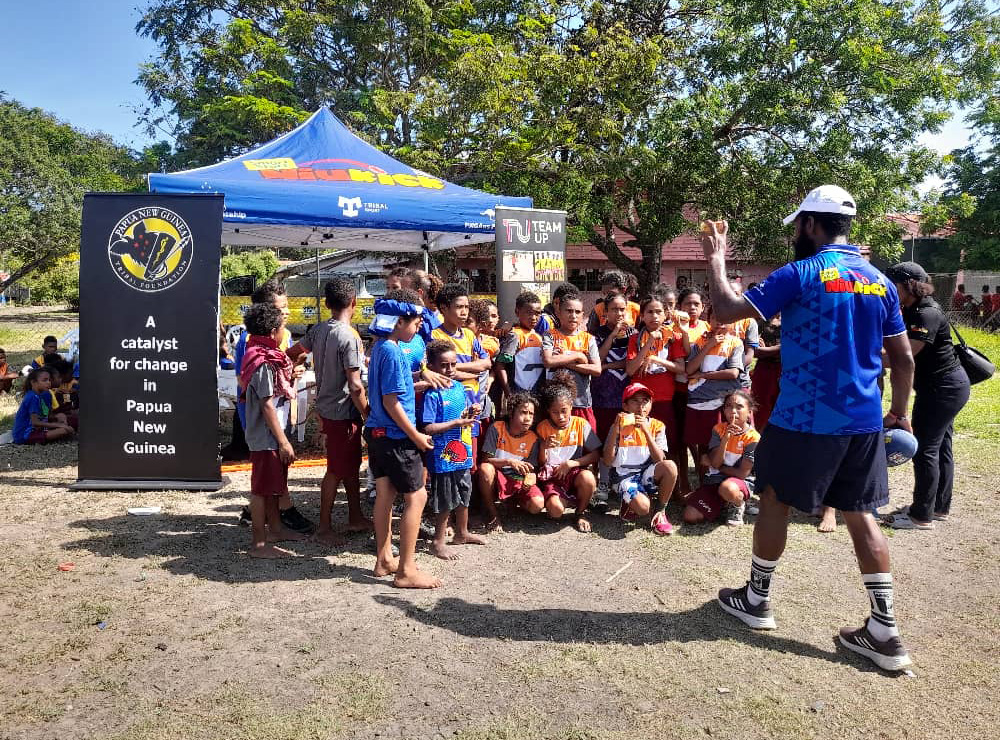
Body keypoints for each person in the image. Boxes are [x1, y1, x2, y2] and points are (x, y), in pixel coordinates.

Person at [703, 185, 916, 672]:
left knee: (774, 499)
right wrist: (900, 413)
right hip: (863, 421)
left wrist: (716, 257)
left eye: (798, 225)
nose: (796, 234)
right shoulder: (880, 281)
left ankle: (756, 600)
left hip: (803, 417)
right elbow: (903, 359)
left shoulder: (800, 273)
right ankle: (885, 631)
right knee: (861, 513)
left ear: (811, 224)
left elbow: (727, 311)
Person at [881, 262, 970, 530]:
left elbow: (903, 357)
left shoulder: (926, 313)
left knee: (926, 450)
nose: (889, 290)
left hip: (941, 390)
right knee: (941, 447)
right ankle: (938, 507)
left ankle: (921, 516)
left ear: (909, 284)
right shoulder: (914, 310)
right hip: (945, 387)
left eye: (893, 285)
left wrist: (859, 356)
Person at [365, 289, 441, 589]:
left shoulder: (380, 347)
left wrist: (418, 381)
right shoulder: (395, 352)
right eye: (416, 323)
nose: (418, 329)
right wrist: (416, 436)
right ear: (399, 322)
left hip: (377, 433)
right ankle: (406, 570)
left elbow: (389, 389)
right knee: (417, 496)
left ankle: (384, 558)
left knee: (385, 493)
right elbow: (391, 401)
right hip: (396, 436)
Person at [287, 278, 371, 546]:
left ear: (326, 304)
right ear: (354, 302)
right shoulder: (350, 337)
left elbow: (293, 351)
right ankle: (324, 528)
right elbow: (355, 385)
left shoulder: (319, 329)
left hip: (328, 408)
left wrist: (294, 368)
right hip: (342, 411)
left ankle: (355, 516)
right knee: (335, 470)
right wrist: (368, 414)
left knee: (350, 465)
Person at [227, 281, 314, 534]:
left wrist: (293, 371)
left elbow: (285, 367)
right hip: (262, 417)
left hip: (280, 412)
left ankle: (274, 518)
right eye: (279, 308)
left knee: (278, 465)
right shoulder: (250, 342)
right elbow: (245, 380)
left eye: (286, 306)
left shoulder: (284, 335)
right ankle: (274, 514)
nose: (285, 311)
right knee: (266, 468)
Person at [239, 302, 305, 558]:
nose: (283, 334)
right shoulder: (263, 362)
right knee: (261, 490)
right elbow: (267, 404)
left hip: (273, 433)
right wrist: (283, 442)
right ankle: (259, 543)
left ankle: (276, 530)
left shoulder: (264, 355)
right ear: (272, 332)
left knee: (274, 486)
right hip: (266, 437)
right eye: (281, 329)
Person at [421, 340, 487, 558]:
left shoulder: (459, 387)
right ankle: (438, 541)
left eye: (453, 364)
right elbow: (428, 427)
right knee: (445, 498)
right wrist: (456, 423)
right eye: (443, 365)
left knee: (464, 490)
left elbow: (461, 416)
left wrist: (470, 413)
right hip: (442, 456)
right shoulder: (431, 394)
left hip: (462, 450)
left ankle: (462, 532)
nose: (449, 369)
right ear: (431, 367)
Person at [603, 382, 679, 534]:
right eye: (635, 401)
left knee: (670, 466)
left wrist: (646, 431)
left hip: (647, 472)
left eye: (645, 401)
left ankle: (660, 512)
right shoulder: (618, 426)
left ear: (651, 404)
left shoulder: (657, 426)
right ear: (625, 406)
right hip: (624, 476)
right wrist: (615, 430)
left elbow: (659, 460)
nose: (641, 406)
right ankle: (630, 502)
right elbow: (607, 461)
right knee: (643, 508)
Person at [432, 284, 491, 473]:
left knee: (470, 462)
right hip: (449, 408)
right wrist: (473, 372)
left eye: (466, 307)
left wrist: (458, 368)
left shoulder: (469, 335)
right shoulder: (436, 336)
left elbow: (486, 363)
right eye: (459, 307)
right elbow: (444, 373)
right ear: (443, 308)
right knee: (449, 459)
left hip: (473, 404)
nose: (464, 312)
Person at [682, 389, 760, 527]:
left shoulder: (753, 437)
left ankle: (738, 503)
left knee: (727, 488)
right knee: (690, 516)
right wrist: (725, 440)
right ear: (724, 410)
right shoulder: (718, 429)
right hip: (715, 481)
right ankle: (724, 503)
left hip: (738, 482)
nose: (733, 411)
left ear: (749, 412)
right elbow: (716, 462)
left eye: (739, 407)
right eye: (728, 406)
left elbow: (742, 473)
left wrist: (715, 465)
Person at [535, 372, 602, 532]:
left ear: (571, 406)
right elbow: (541, 463)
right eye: (555, 412)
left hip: (574, 474)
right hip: (552, 477)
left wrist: (572, 463)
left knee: (588, 478)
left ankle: (580, 512)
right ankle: (565, 500)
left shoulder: (580, 424)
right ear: (548, 411)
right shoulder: (542, 427)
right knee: (555, 512)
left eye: (564, 410)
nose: (561, 416)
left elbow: (597, 454)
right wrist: (543, 446)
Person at [591, 291, 638, 510]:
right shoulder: (596, 334)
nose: (619, 313)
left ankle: (620, 482)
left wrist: (608, 366)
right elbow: (597, 359)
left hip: (625, 396)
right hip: (602, 396)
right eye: (614, 309)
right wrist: (612, 335)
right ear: (605, 312)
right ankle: (602, 484)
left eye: (622, 309)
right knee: (603, 440)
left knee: (623, 440)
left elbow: (630, 363)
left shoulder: (634, 334)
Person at [684, 312, 743, 483]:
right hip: (697, 402)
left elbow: (733, 373)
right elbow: (689, 370)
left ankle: (721, 484)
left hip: (719, 403)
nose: (719, 323)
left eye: (725, 318)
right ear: (708, 320)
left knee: (719, 445)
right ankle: (704, 485)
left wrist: (703, 374)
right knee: (702, 447)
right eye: (715, 318)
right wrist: (709, 346)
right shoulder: (701, 342)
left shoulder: (735, 342)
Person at [477, 391, 544, 521]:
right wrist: (509, 462)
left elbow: (531, 469)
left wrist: (530, 478)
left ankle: (512, 504)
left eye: (531, 414)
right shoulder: (497, 428)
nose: (528, 418)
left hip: (517, 480)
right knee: (485, 469)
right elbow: (485, 460)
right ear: (511, 412)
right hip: (497, 478)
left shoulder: (533, 438)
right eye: (523, 412)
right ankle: (493, 514)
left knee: (537, 505)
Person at [541, 290, 601, 431]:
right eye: (568, 311)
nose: (573, 316)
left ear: (582, 315)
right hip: (555, 405)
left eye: (577, 312)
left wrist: (564, 360)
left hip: (581, 403)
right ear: (559, 313)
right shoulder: (550, 335)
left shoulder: (588, 339)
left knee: (586, 440)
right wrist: (578, 357)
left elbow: (597, 369)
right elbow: (548, 361)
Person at [672, 288, 710, 494]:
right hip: (679, 391)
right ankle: (683, 483)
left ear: (703, 308)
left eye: (696, 304)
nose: (692, 308)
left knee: (703, 440)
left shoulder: (708, 328)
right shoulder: (672, 329)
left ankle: (704, 483)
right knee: (680, 440)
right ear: (680, 306)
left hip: (703, 392)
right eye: (688, 303)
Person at [497, 292, 545, 395]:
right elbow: (500, 365)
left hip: (537, 393)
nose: (533, 317)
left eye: (537, 313)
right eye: (529, 313)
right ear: (517, 312)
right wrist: (508, 393)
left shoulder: (539, 337)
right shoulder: (515, 335)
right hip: (518, 393)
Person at [12, 368, 74, 444]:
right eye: (44, 380)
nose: (48, 383)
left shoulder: (43, 395)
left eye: (49, 380)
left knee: (61, 416)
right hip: (25, 435)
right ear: (33, 382)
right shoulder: (32, 397)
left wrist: (59, 419)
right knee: (63, 430)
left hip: (37, 429)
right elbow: (35, 422)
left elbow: (46, 416)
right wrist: (59, 425)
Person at [750, 314, 781, 431]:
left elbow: (787, 347)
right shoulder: (761, 321)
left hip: (783, 369)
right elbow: (753, 349)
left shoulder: (790, 319)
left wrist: (764, 350)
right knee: (760, 405)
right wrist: (774, 350)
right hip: (763, 370)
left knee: (779, 404)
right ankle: (757, 437)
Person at [728, 282, 760, 389]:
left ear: (741, 296)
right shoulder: (716, 319)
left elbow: (749, 356)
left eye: (735, 294)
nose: (731, 297)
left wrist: (729, 370)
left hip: (740, 382)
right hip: (716, 382)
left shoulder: (749, 322)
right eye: (728, 293)